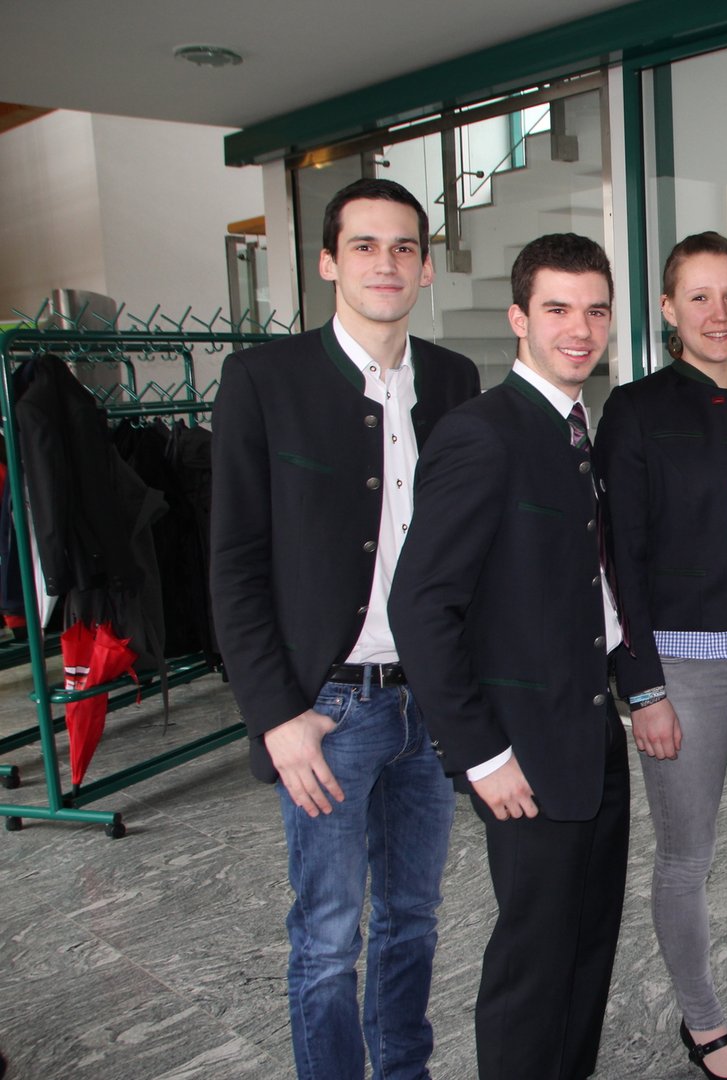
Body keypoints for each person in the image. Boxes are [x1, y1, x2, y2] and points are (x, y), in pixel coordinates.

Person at [211, 177, 480, 1079]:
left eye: (404, 247)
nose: (385, 263)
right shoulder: (264, 380)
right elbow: (234, 564)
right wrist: (274, 717)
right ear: (329, 262)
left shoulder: (453, 379)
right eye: (364, 245)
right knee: (327, 939)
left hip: (428, 708)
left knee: (415, 920)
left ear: (427, 268)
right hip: (325, 714)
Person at [389, 233, 630, 1080]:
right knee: (534, 963)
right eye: (557, 309)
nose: (580, 329)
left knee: (587, 945)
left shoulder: (576, 429)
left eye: (595, 310)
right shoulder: (483, 433)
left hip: (591, 734)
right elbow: (421, 606)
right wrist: (482, 754)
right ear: (518, 319)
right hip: (523, 750)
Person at [594, 231, 727, 1080]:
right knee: (687, 856)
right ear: (668, 309)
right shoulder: (638, 409)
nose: (718, 314)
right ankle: (703, 1020)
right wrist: (642, 686)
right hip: (684, 665)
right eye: (698, 297)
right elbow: (619, 555)